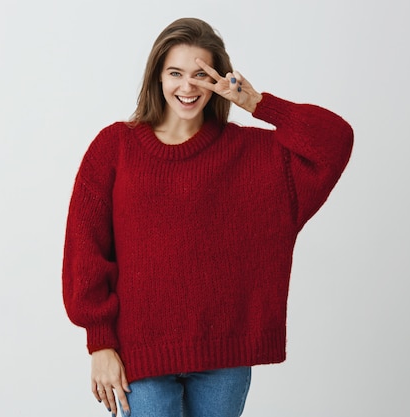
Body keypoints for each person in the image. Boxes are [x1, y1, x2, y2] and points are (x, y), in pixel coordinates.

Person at [62, 17, 353, 417]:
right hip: (139, 357)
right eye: (175, 73)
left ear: (220, 78)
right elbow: (86, 250)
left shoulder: (255, 154)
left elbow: (334, 140)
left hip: (223, 358)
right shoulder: (114, 148)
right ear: (157, 78)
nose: (187, 86)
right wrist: (100, 342)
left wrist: (256, 103)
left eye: (201, 74)